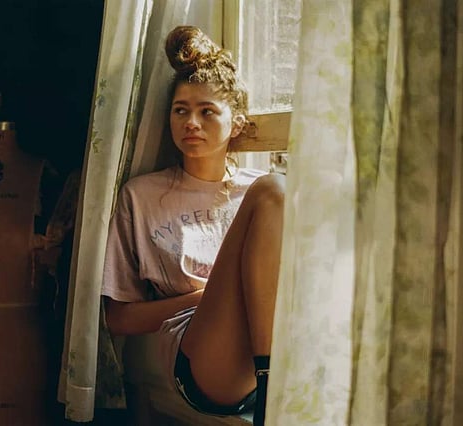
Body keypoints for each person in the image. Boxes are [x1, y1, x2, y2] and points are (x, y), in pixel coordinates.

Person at [101, 25, 285, 426]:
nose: (191, 122)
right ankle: (273, 393)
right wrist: (207, 297)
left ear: (237, 123)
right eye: (181, 110)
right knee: (274, 189)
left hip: (270, 344)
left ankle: (278, 386)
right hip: (201, 360)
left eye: (207, 111)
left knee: (276, 191)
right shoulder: (141, 195)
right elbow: (119, 319)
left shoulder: (257, 197)